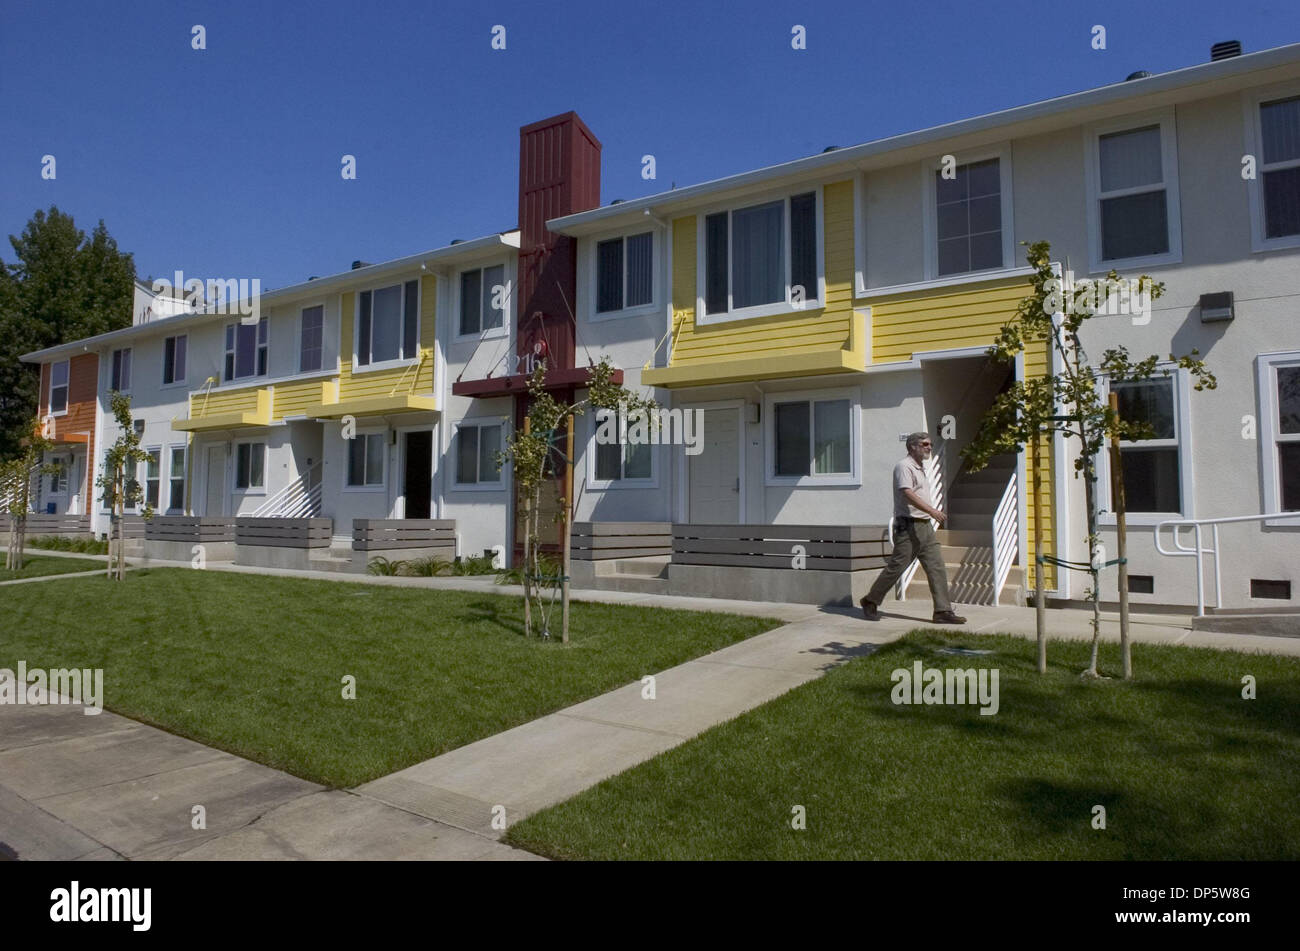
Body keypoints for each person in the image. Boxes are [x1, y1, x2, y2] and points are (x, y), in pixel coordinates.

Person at [860, 432, 966, 624]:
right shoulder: (904, 466)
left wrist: (930, 515)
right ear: (912, 447)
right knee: (897, 566)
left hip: (925, 527)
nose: (929, 448)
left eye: (930, 444)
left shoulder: (920, 468)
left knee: (936, 567)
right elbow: (907, 493)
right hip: (908, 526)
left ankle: (942, 611)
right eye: (925, 444)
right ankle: (870, 600)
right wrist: (933, 511)